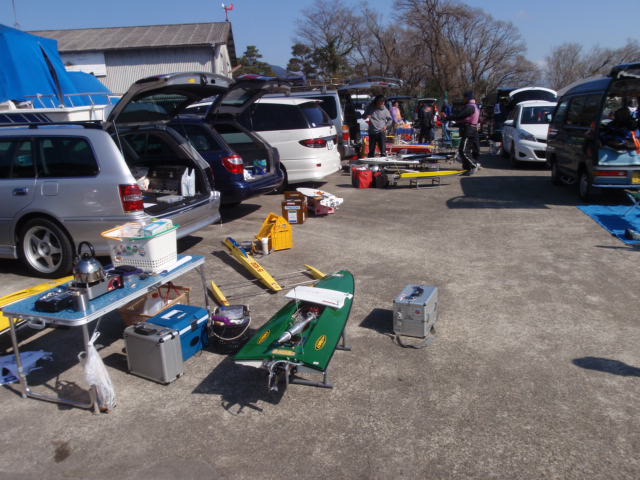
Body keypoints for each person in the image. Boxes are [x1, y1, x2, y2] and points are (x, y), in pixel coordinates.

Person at [447, 90, 481, 174]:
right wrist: (456, 124)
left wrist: (447, 118)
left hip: (469, 130)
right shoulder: (475, 106)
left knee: (463, 150)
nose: (463, 99)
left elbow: (460, 116)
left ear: (467, 98)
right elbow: (465, 119)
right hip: (471, 129)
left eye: (464, 98)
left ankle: (474, 165)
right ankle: (467, 168)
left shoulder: (470, 107)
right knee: (468, 150)